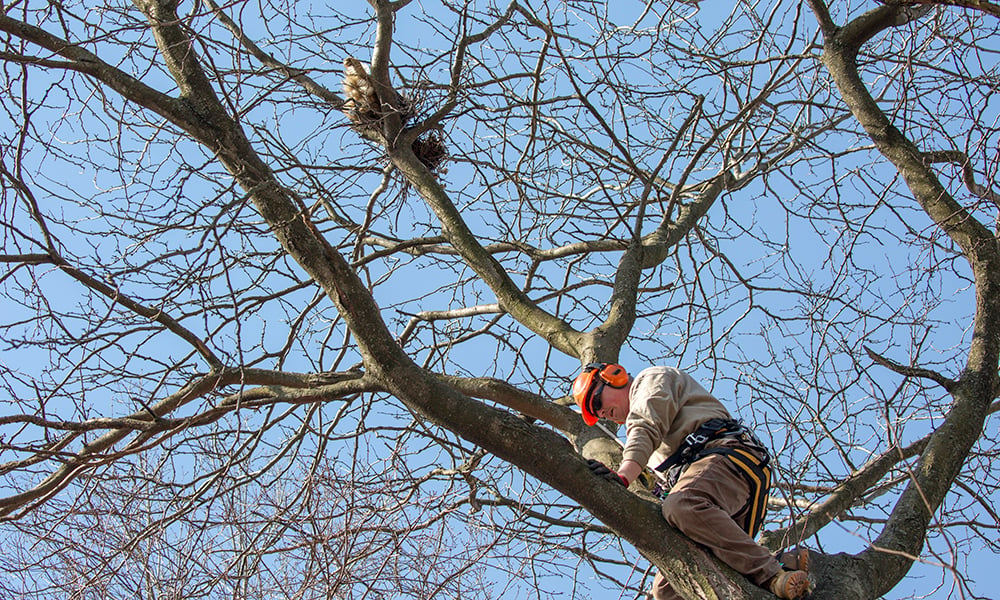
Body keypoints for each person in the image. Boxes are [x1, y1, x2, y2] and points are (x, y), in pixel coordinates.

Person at [572, 363, 813, 600]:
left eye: (596, 403)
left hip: (725, 458)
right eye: (595, 414)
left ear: (615, 377)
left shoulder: (651, 380)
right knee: (665, 593)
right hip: (710, 505)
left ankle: (771, 573)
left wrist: (624, 474)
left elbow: (644, 425)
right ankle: (785, 565)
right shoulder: (655, 449)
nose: (601, 413)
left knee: (682, 505)